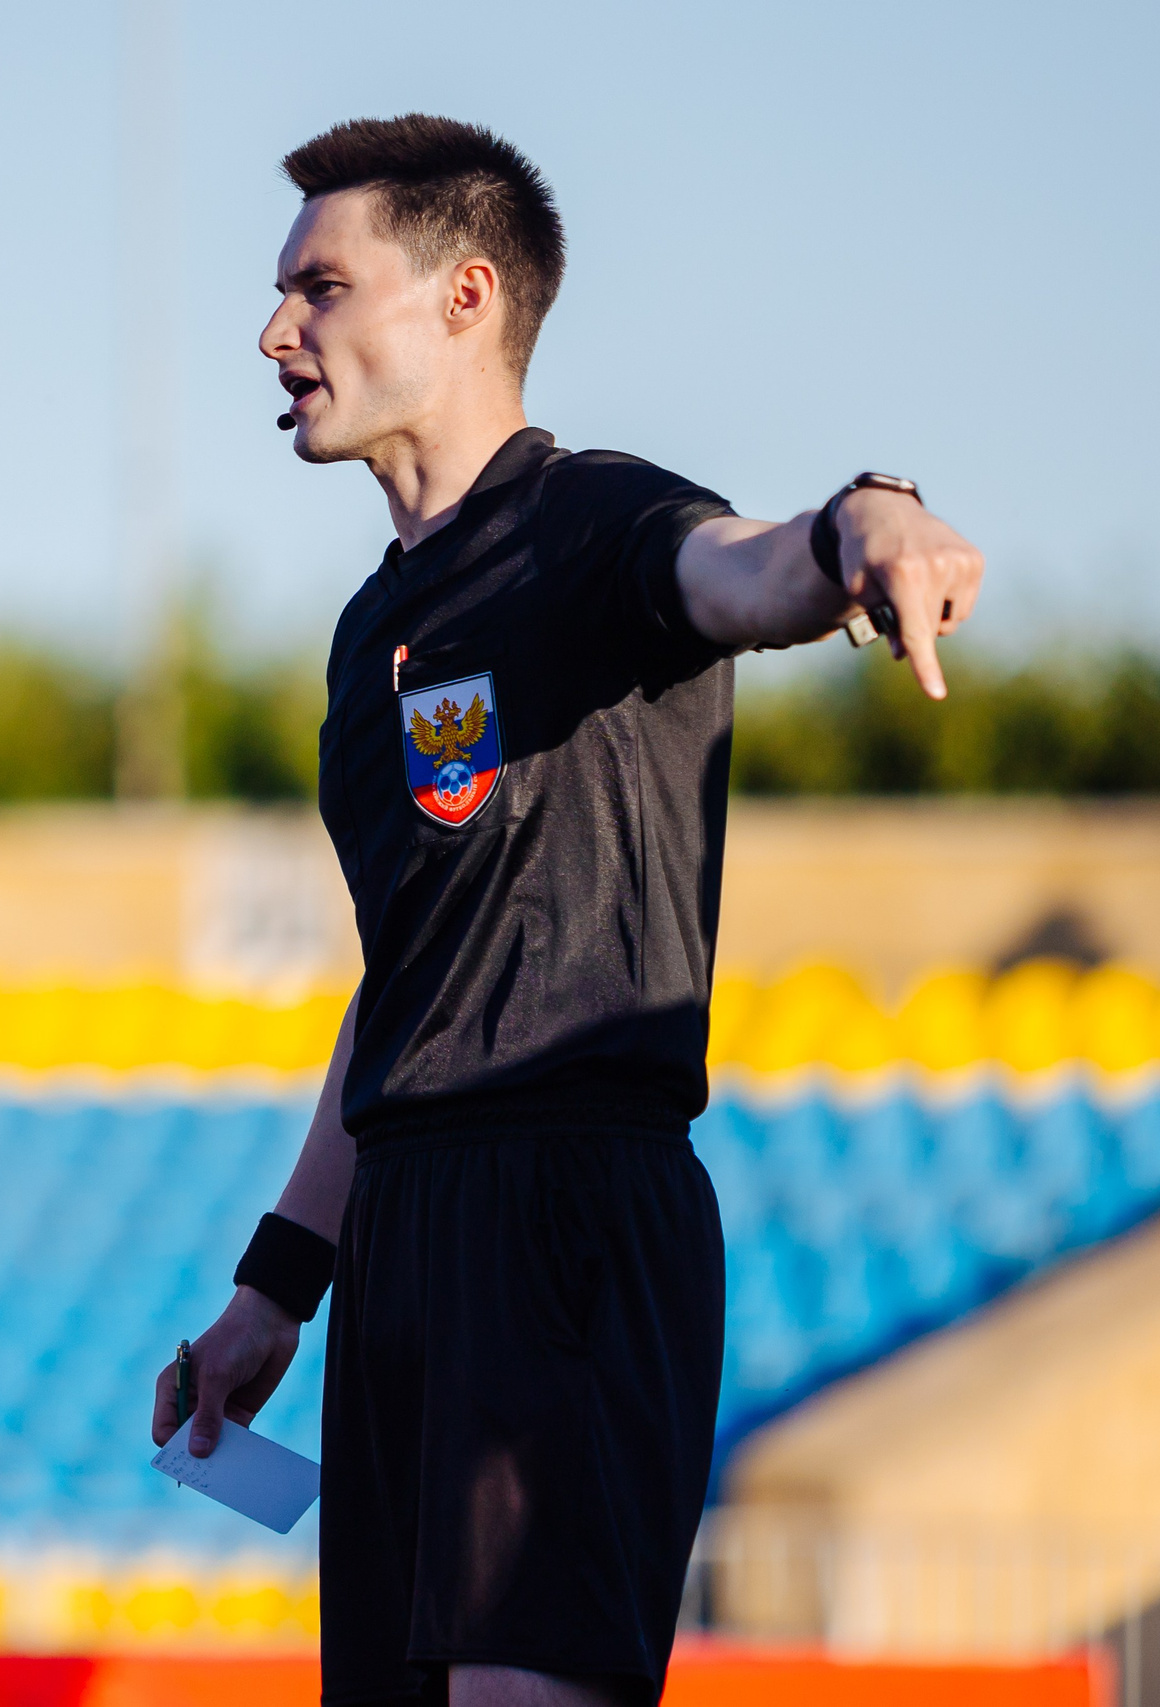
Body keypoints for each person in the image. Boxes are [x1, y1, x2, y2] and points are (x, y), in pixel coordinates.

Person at [152, 116, 984, 1707]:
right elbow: (406, 978)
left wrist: (870, 516)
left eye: (320, 290)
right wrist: (277, 1288)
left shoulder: (592, 519)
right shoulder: (367, 637)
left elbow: (748, 575)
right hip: (404, 1235)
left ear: (467, 297)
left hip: (565, 1216)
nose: (276, 333)